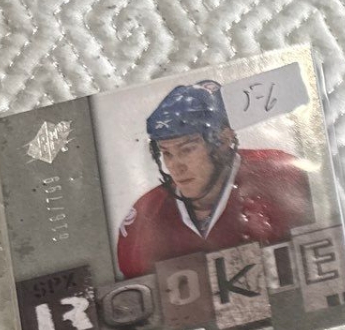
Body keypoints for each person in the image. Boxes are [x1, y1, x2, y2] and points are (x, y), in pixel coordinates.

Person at [115, 82, 313, 278]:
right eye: (167, 153)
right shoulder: (145, 218)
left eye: (187, 149)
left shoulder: (282, 177)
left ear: (224, 140)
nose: (176, 166)